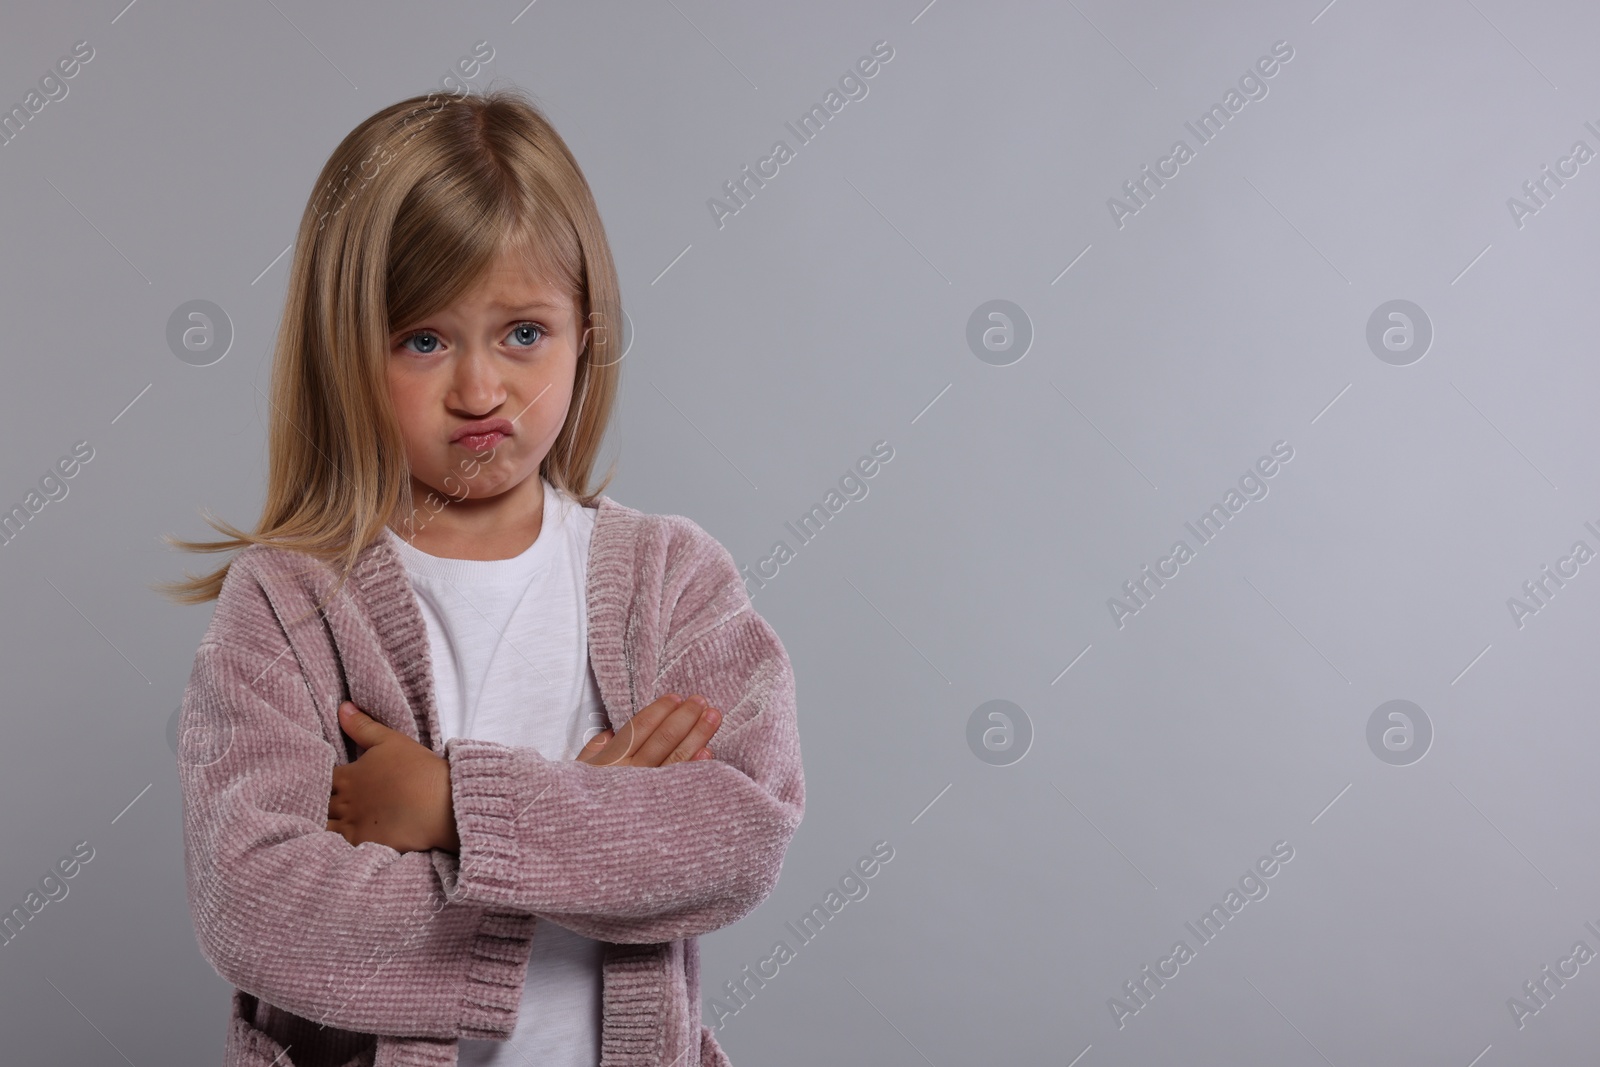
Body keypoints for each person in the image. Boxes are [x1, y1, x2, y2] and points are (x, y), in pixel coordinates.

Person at [161, 85, 804, 1067]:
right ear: (345, 353)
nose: (478, 389)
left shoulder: (673, 579)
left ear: (585, 331)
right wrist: (582, 837)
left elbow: (738, 830)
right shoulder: (289, 604)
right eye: (423, 340)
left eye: (523, 333)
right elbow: (257, 904)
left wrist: (458, 807)